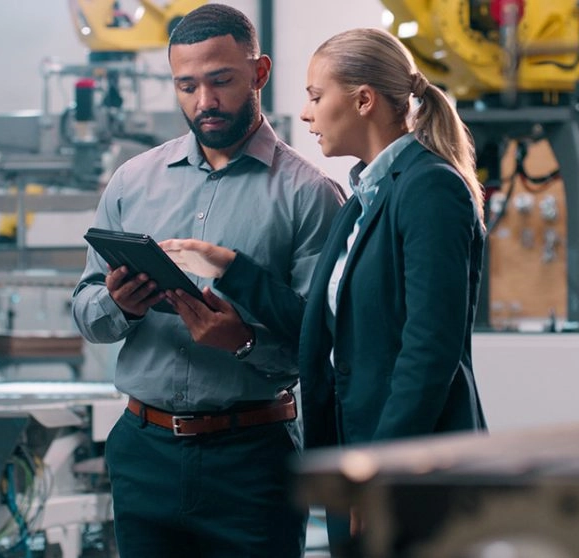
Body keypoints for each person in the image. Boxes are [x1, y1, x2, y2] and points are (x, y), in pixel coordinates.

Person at [162, 27, 488, 553]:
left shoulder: (429, 188)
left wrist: (377, 473)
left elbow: (429, 351)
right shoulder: (364, 195)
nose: (306, 114)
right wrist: (228, 267)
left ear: (363, 100)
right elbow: (318, 323)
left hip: (408, 465)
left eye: (316, 96)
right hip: (357, 454)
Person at [71, 5, 345, 558]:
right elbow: (84, 307)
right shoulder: (132, 181)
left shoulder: (310, 195)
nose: (205, 102)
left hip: (252, 460)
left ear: (260, 73)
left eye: (221, 81)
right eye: (187, 85)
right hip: (142, 452)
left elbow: (324, 341)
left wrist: (243, 342)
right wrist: (120, 306)